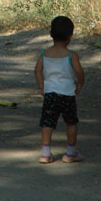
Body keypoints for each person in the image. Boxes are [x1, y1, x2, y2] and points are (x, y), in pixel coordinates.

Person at [34, 15, 85, 164]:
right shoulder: (71, 55)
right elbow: (79, 71)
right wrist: (80, 83)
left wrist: (42, 86)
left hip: (50, 93)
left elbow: (37, 71)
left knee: (47, 123)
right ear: (70, 36)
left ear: (51, 35)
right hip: (68, 94)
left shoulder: (45, 54)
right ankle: (70, 152)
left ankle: (45, 153)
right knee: (71, 122)